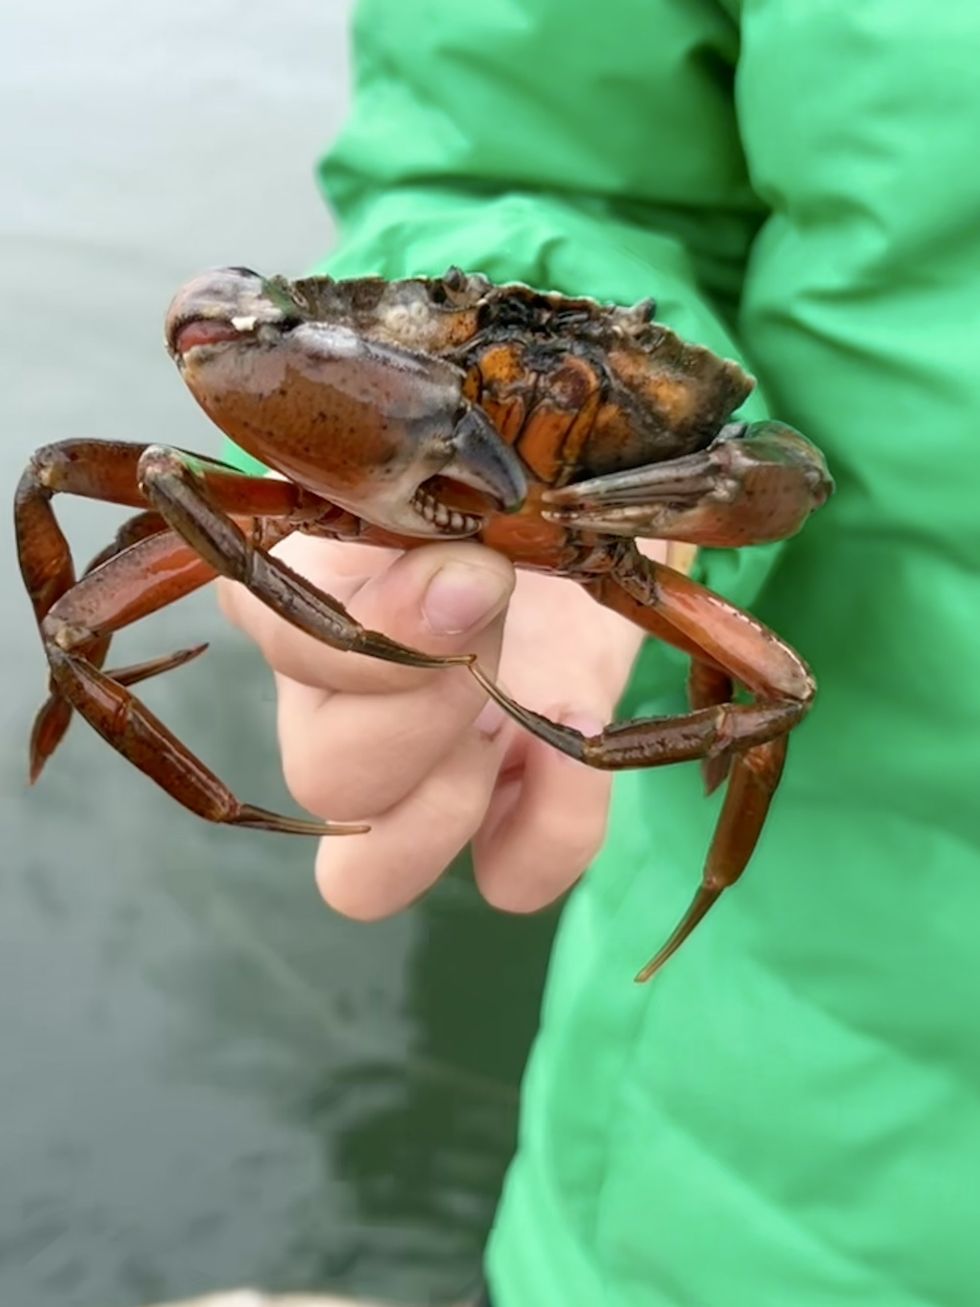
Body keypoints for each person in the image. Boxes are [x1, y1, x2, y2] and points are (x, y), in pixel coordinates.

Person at [219, 2, 980, 1304]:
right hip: (729, 1185)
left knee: (767, 697)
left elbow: (777, 476)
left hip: (659, 550)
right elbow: (518, 149)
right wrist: (425, 395)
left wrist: (638, 514)